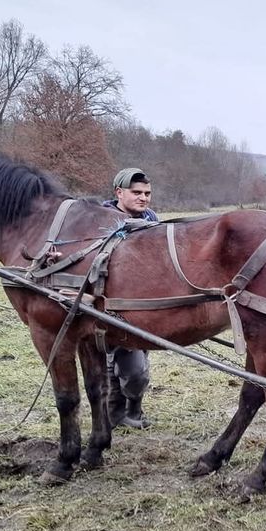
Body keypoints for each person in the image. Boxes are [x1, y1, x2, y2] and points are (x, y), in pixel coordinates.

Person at [101, 168, 158, 428]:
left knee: (135, 366)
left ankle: (131, 411)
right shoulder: (100, 219)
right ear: (119, 193)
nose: (143, 198)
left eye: (147, 193)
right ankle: (117, 413)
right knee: (115, 361)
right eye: (136, 193)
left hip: (141, 302)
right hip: (106, 302)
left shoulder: (152, 219)